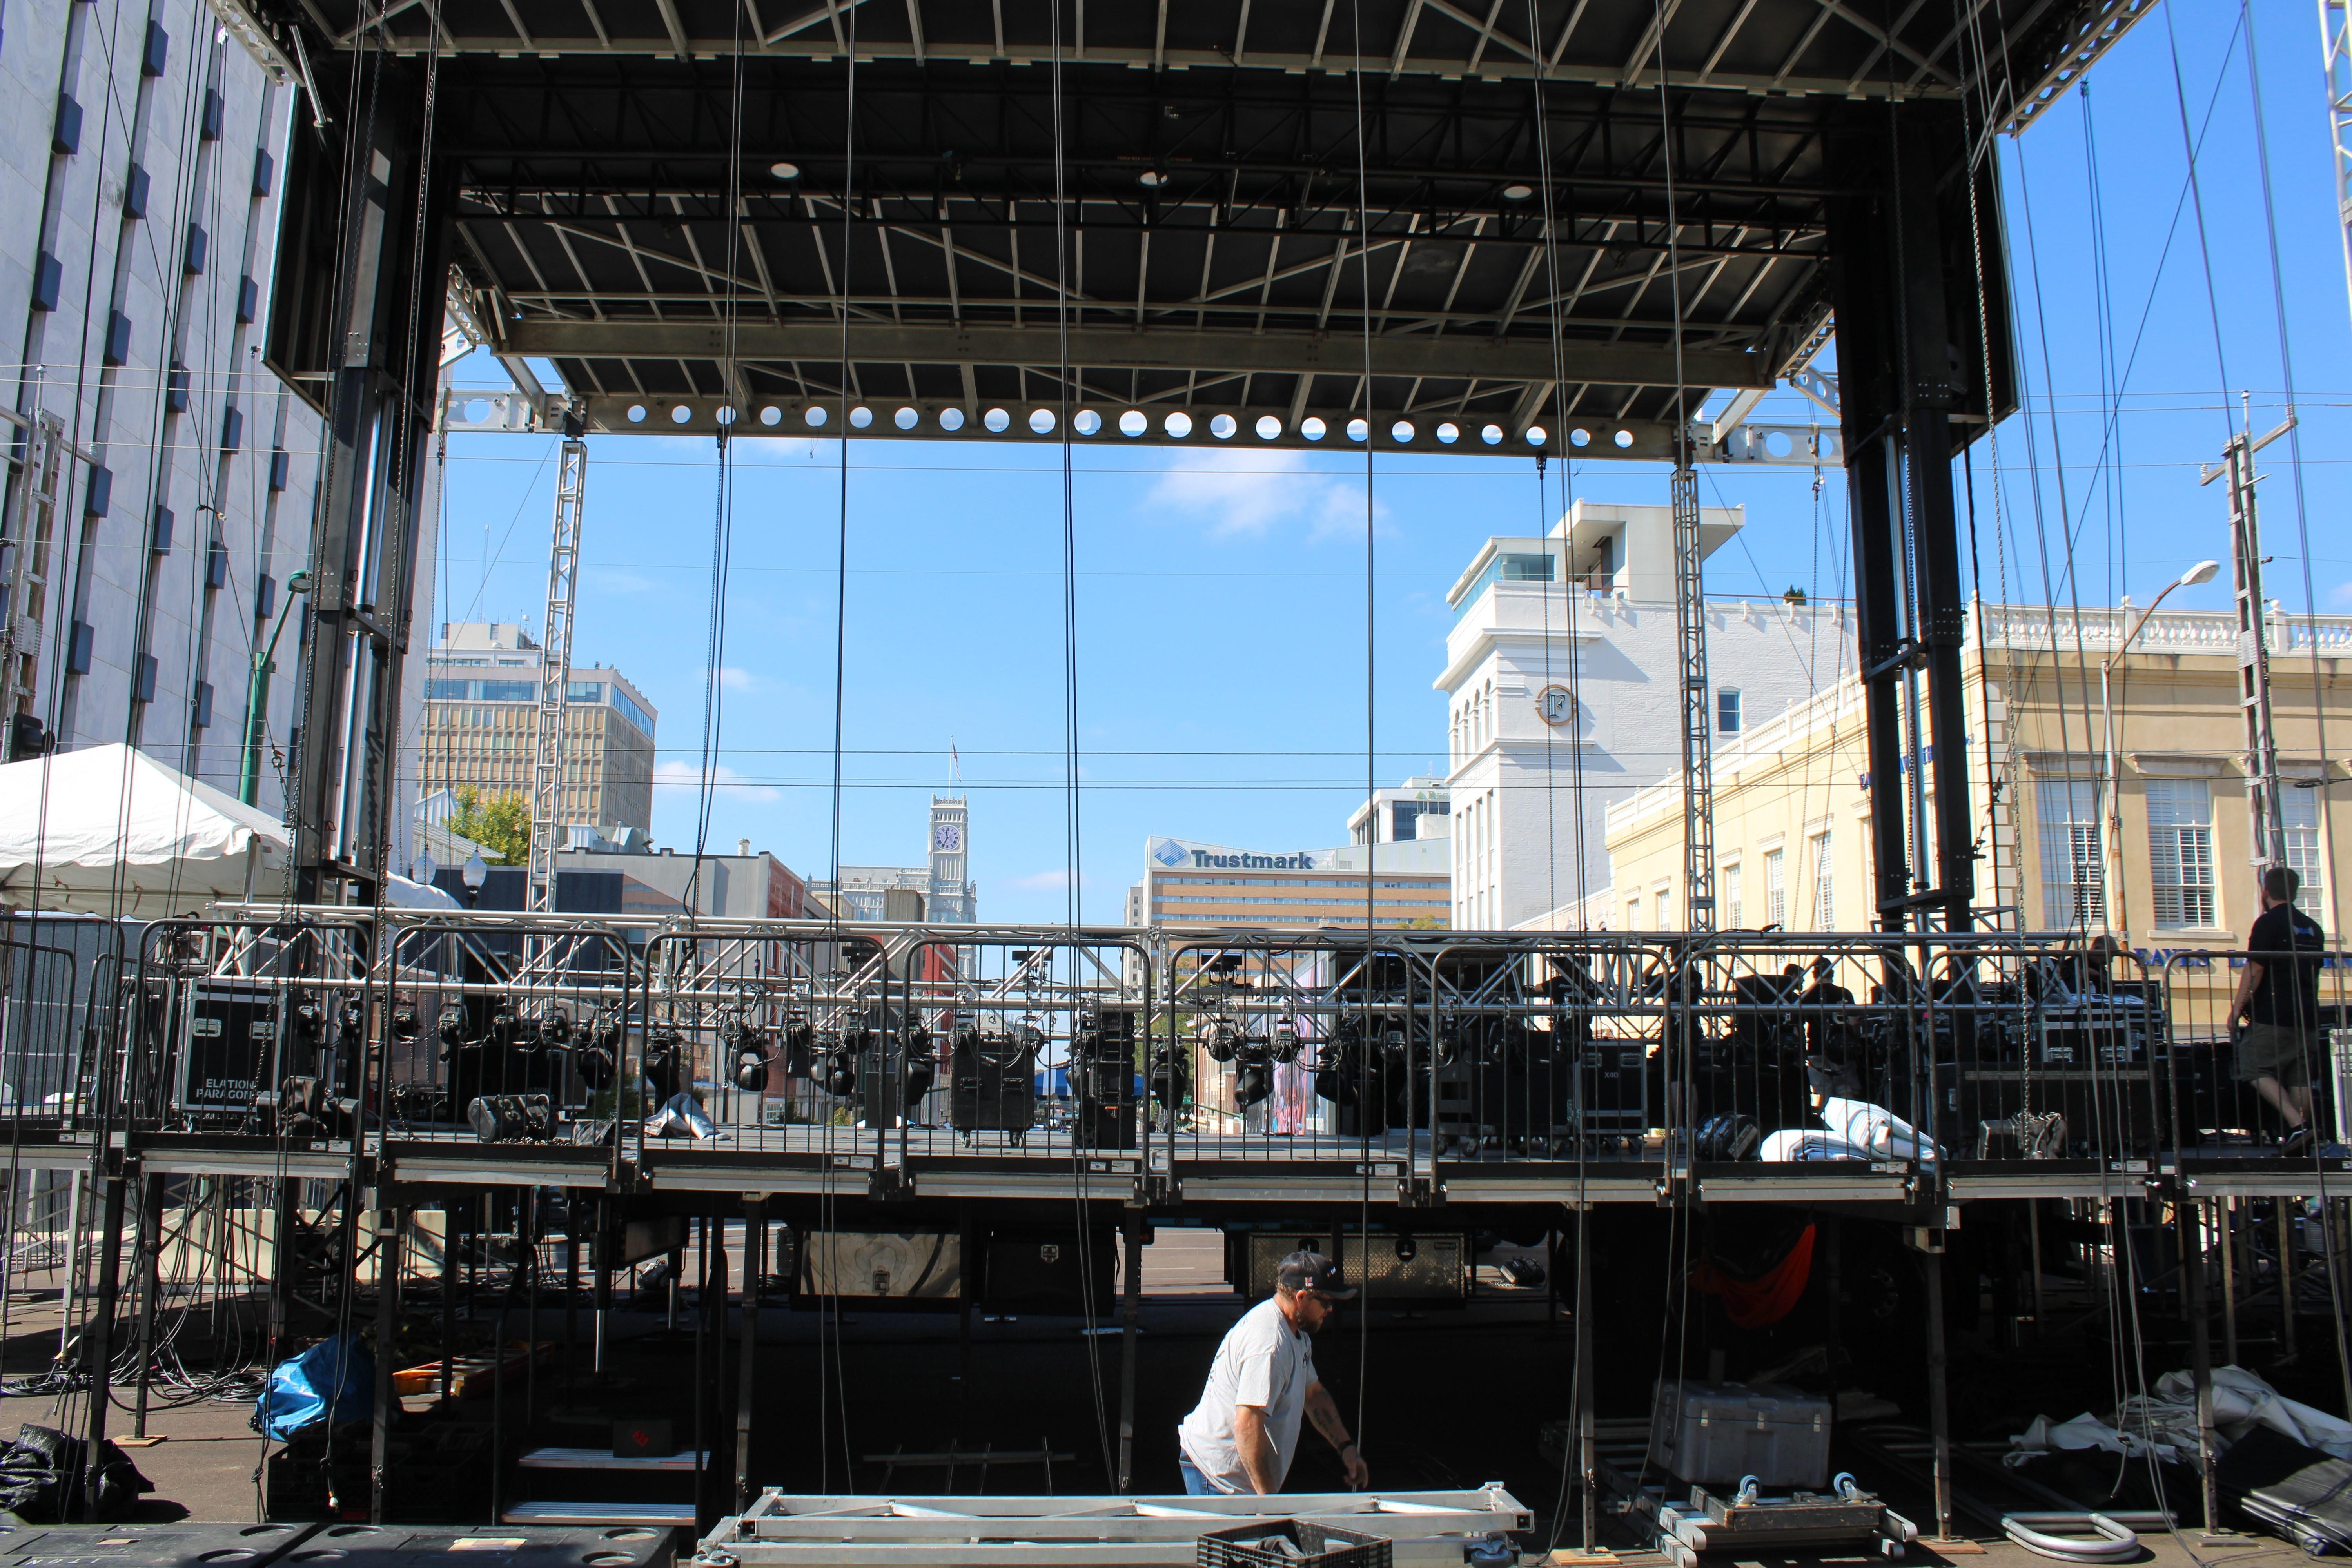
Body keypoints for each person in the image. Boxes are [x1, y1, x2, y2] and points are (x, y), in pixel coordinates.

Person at [1176, 1250, 1368, 1495]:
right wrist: (1268, 1505)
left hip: (1236, 1479)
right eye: (1327, 1302)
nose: (1330, 1310)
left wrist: (1347, 1448)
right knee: (1247, 1534)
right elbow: (1247, 1427)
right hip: (1218, 1478)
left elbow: (1314, 1396)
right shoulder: (1269, 1345)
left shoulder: (1296, 1334)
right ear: (1301, 1298)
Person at [2230, 864, 2327, 1157]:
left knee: (2253, 1065)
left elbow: (2256, 968)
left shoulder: (2267, 923)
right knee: (2298, 1076)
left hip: (2274, 1014)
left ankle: (2299, 1127)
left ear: (2266, 892)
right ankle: (2301, 1135)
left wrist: (2237, 1010)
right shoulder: (2312, 927)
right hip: (2308, 1015)